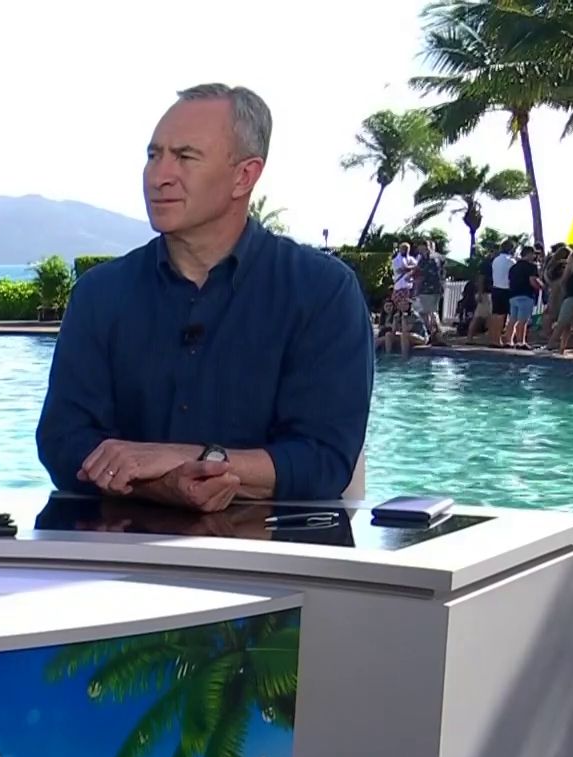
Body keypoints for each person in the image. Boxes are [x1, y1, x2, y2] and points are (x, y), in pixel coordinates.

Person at [35, 84, 372, 510]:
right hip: (119, 545)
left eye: (185, 157)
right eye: (154, 155)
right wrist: (162, 484)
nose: (158, 176)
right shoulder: (98, 294)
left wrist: (191, 458)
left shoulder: (322, 292)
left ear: (244, 176)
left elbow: (323, 461)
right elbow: (63, 442)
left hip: (271, 548)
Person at [505, 245, 541, 349]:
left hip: (513, 295)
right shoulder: (531, 267)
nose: (534, 256)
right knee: (523, 320)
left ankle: (509, 340)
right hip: (526, 295)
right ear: (529, 254)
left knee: (513, 320)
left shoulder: (513, 267)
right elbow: (532, 281)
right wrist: (541, 287)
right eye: (533, 254)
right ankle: (521, 342)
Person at [411, 238, 445, 344]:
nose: (418, 249)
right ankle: (438, 334)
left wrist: (415, 289)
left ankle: (432, 333)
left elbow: (420, 275)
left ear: (424, 246)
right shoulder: (439, 257)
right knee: (433, 311)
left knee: (425, 313)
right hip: (437, 289)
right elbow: (442, 272)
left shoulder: (425, 259)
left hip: (426, 289)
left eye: (419, 247)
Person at [487, 239, 516, 346]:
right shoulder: (511, 261)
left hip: (495, 288)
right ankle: (498, 340)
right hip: (505, 289)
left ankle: (493, 338)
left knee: (495, 314)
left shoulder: (496, 260)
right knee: (501, 316)